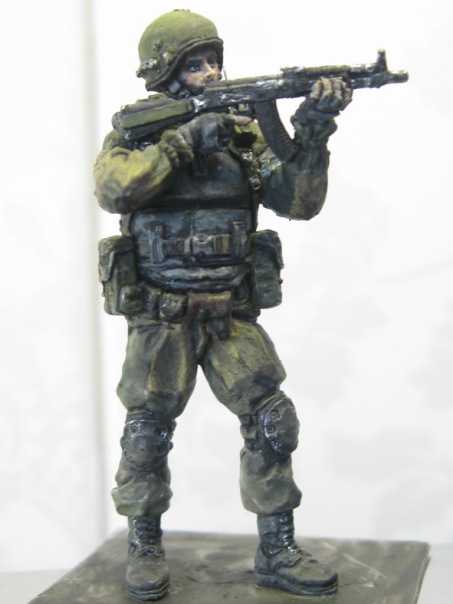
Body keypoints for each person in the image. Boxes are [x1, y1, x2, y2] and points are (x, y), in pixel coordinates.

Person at [94, 9, 351, 602]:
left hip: (230, 313)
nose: (210, 72)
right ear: (164, 74)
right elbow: (114, 189)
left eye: (213, 61)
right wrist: (183, 143)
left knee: (273, 422)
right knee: (146, 434)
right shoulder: (138, 135)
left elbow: (299, 202)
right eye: (194, 65)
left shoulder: (243, 136)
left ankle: (277, 548)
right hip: (161, 314)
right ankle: (144, 546)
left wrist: (312, 132)